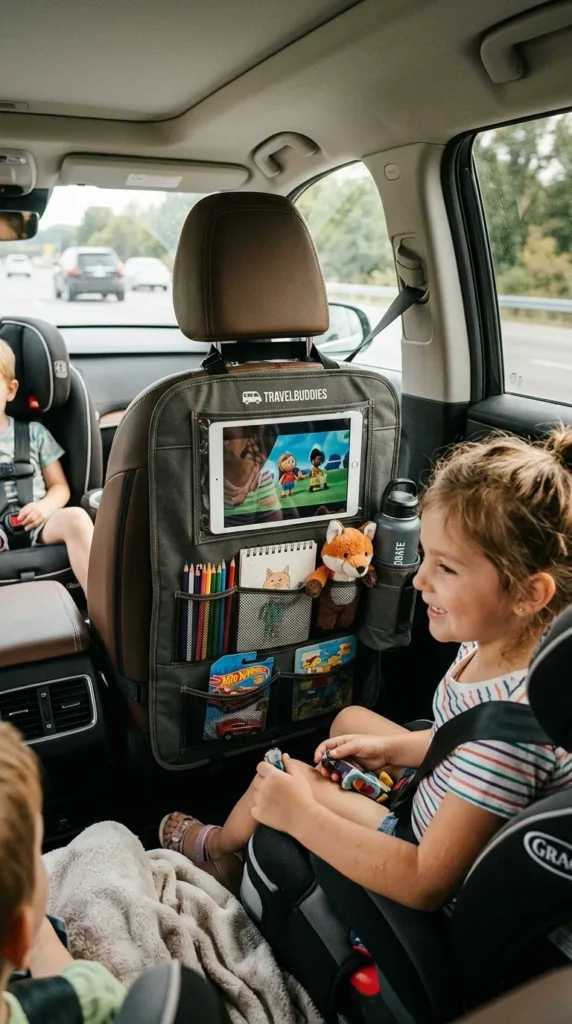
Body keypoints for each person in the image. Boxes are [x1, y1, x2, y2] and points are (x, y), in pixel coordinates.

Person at [159, 427, 572, 911]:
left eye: (447, 568)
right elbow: (457, 734)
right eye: (426, 558)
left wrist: (300, 815)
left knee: (278, 778)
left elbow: (425, 882)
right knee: (349, 721)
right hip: (439, 793)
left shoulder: (507, 742)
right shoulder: (501, 645)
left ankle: (219, 851)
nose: (419, 579)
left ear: (529, 594)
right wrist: (390, 749)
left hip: (418, 845)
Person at [0, 721, 126, 1023]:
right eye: (37, 853)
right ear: (18, 941)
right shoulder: (89, 999)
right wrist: (36, 930)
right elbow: (78, 991)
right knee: (112, 836)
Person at [0, 340, 93, 594]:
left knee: (76, 519)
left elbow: (59, 487)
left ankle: (102, 608)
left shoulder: (35, 434)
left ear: (10, 390)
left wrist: (44, 508)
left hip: (39, 523)